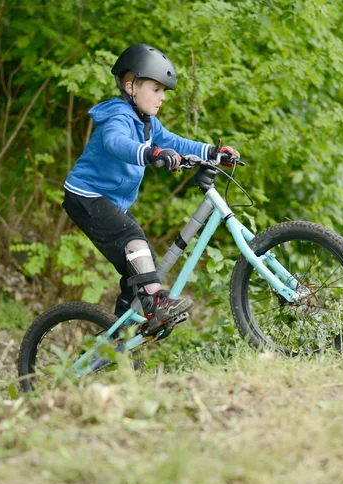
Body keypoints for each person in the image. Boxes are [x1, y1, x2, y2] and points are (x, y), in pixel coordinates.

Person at [63, 44, 239, 332]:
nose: (162, 98)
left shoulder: (148, 123)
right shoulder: (118, 115)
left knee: (143, 265)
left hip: (110, 202)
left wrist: (212, 151)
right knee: (132, 237)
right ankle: (157, 301)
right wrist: (151, 154)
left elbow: (176, 142)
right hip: (87, 196)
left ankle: (121, 330)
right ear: (131, 85)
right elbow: (116, 143)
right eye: (156, 89)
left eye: (164, 92)